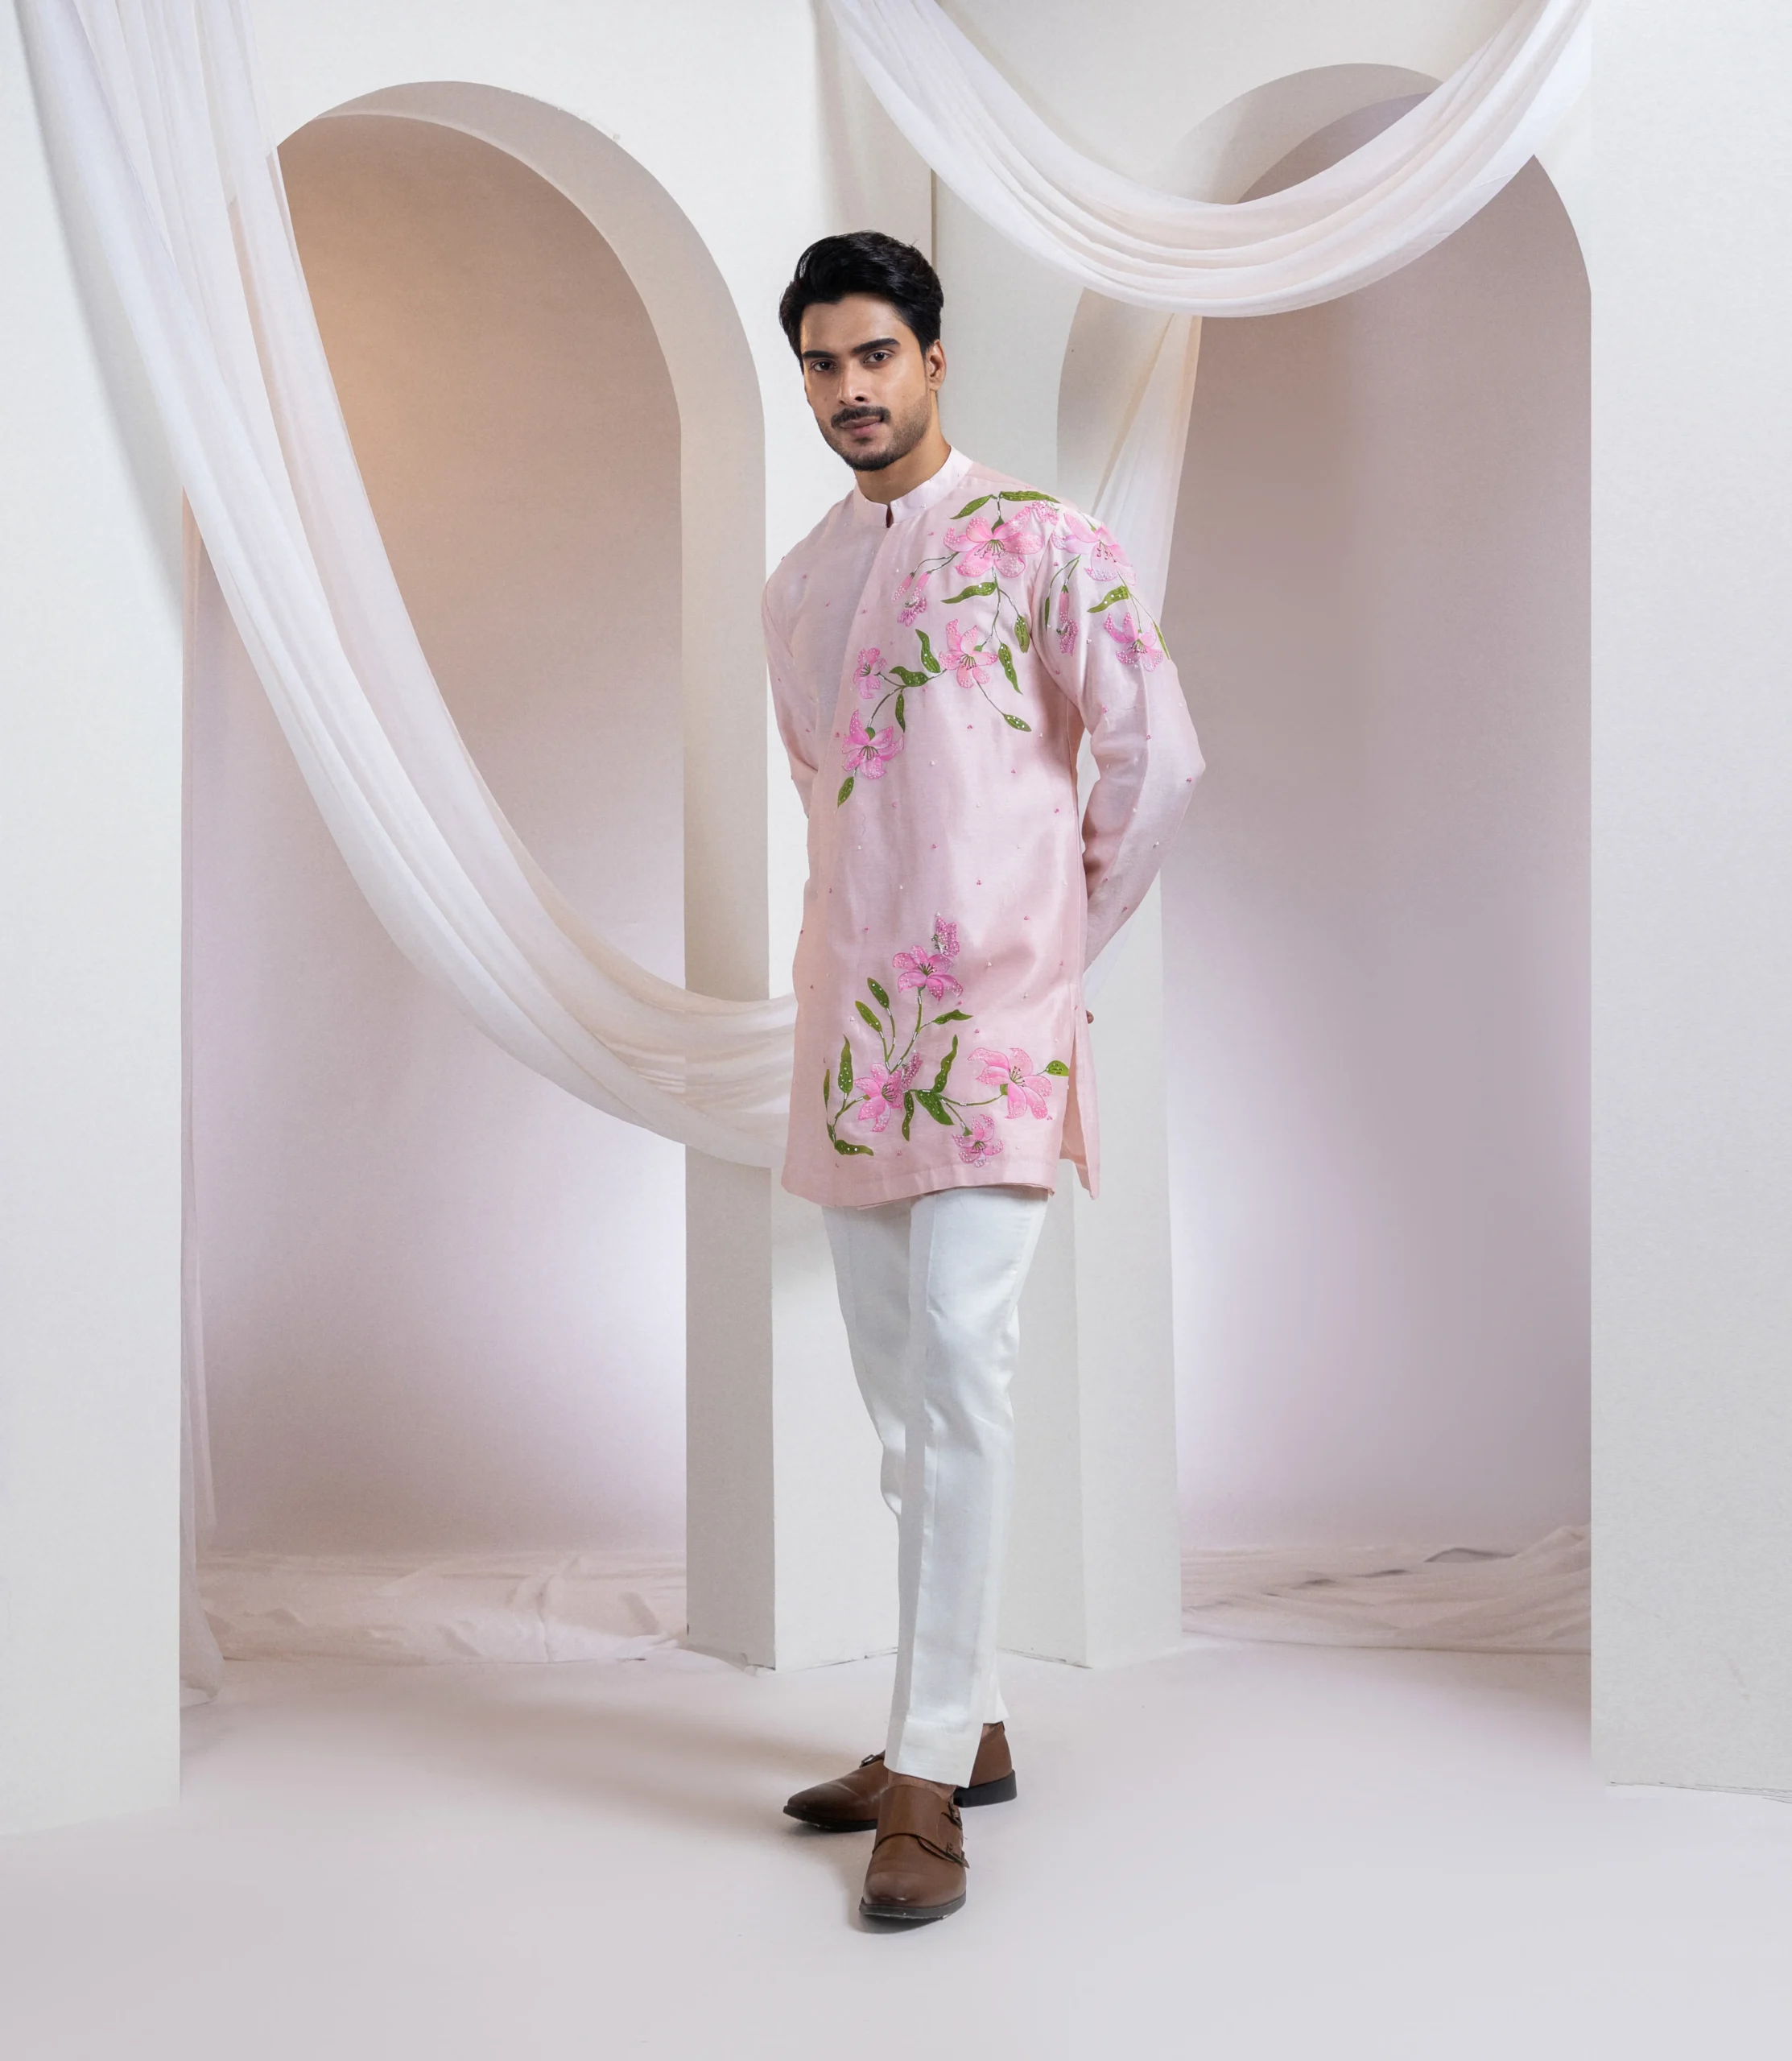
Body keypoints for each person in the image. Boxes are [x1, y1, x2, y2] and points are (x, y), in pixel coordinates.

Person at [763, 231, 1203, 1925]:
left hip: (995, 1025)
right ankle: (961, 1717)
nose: (849, 388)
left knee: (962, 1367)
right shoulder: (799, 583)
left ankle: (927, 1781)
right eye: (822, 362)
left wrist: (1048, 935)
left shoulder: (1043, 539)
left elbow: (1157, 759)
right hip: (851, 1025)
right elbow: (829, 786)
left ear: (933, 358)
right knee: (903, 1406)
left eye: (874, 353)